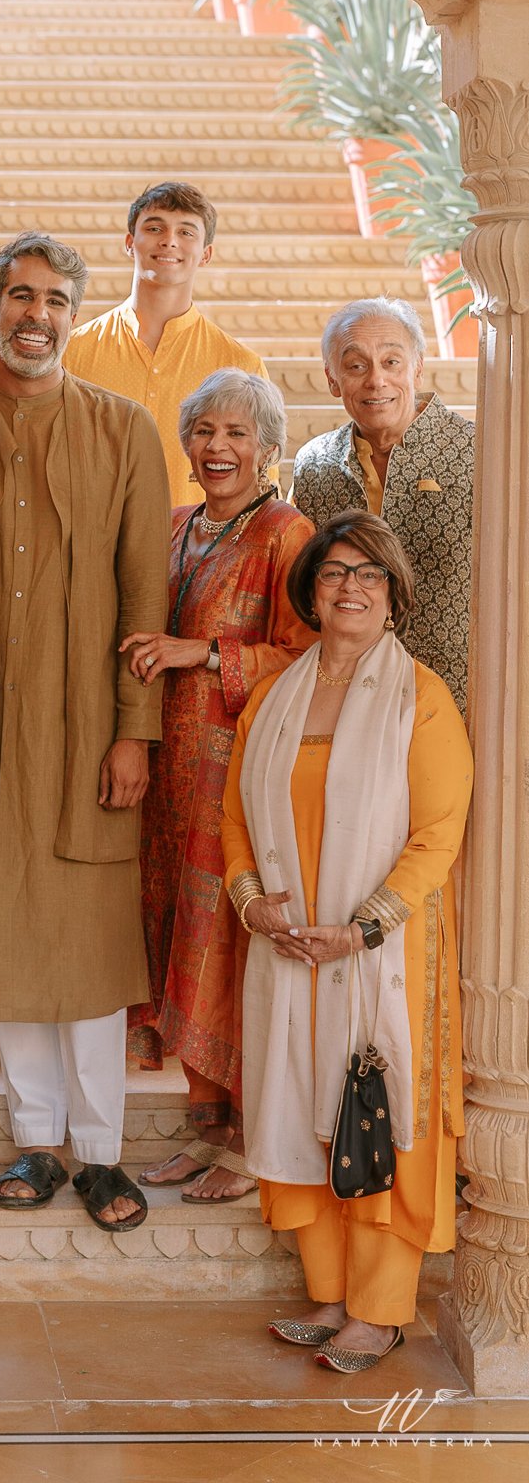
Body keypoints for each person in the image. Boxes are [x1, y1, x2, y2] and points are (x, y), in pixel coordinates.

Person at [0, 232, 169, 1232]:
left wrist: (136, 732)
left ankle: (103, 1154)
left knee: (84, 937)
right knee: (10, 934)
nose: (36, 315)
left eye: (56, 301)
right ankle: (36, 1141)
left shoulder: (124, 431)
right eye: (19, 297)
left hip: (87, 728)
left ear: (77, 317)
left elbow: (143, 590)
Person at [222, 513, 471, 1374]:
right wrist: (253, 905)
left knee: (373, 1109)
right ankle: (327, 1298)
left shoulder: (421, 697)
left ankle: (379, 1310)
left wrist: (362, 927)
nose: (350, 587)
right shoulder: (273, 696)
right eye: (333, 574)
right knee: (300, 1106)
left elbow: (437, 835)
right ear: (311, 592)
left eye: (368, 574)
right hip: (288, 949)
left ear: (393, 592)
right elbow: (232, 824)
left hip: (381, 954)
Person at [120, 370, 315, 1202]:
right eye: (203, 431)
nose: (218, 448)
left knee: (226, 939)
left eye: (237, 433)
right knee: (175, 929)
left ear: (268, 447)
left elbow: (307, 649)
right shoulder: (170, 528)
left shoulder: (284, 532)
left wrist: (198, 653)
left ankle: (246, 1139)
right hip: (166, 774)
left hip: (236, 772)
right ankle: (203, 1131)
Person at [290, 297, 475, 713]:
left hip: (459, 698)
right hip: (346, 702)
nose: (376, 381)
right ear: (332, 378)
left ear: (418, 366)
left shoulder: (479, 452)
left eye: (392, 362)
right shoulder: (314, 465)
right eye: (356, 366)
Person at [63, 181, 269, 505]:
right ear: (130, 243)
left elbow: (262, 485)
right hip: (92, 548)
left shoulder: (241, 366)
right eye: (155, 227)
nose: (169, 241)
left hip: (198, 550)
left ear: (206, 254)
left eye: (186, 232)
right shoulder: (72, 352)